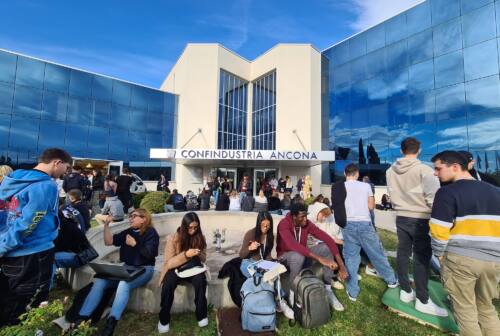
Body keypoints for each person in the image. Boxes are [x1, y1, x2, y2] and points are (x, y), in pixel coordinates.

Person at [430, 151, 500, 335]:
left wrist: (440, 255)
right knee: (486, 308)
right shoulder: (496, 191)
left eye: (438, 168)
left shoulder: (446, 192)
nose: (435, 173)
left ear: (455, 167)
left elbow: (438, 229)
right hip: (493, 261)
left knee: (465, 311)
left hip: (461, 259)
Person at [0, 148, 72, 326]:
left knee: (9, 298)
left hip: (10, 250)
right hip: (33, 253)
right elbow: (29, 223)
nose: (66, 173)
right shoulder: (46, 185)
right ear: (57, 162)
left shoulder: (12, 180)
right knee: (29, 305)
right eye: (66, 168)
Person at [385, 137, 445, 316]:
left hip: (401, 216)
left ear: (402, 150)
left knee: (402, 253)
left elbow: (391, 193)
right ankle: (422, 300)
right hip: (421, 218)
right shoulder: (425, 170)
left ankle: (406, 291)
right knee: (421, 259)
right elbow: (434, 198)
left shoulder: (390, 171)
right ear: (418, 150)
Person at [78, 208, 159, 336]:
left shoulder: (151, 233)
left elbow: (150, 254)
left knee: (123, 284)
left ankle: (111, 324)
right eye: (130, 216)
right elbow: (108, 241)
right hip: (127, 268)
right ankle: (83, 318)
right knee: (100, 280)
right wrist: (106, 226)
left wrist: (134, 244)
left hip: (144, 269)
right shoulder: (128, 232)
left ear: (144, 219)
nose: (130, 218)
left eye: (134, 216)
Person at [342, 164, 399, 302]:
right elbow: (371, 206)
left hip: (348, 224)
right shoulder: (366, 186)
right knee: (377, 253)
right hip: (364, 224)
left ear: (345, 174)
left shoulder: (340, 187)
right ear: (357, 174)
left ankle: (353, 291)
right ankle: (391, 280)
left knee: (351, 258)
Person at [276, 202, 347, 310]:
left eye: (306, 215)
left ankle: (327, 288)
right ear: (294, 216)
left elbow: (328, 239)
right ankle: (292, 292)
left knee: (325, 248)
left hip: (302, 256)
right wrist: (320, 259)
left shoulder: (306, 223)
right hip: (285, 258)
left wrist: (341, 266)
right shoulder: (284, 224)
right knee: (297, 256)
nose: (305, 219)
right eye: (302, 217)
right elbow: (293, 245)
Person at [158, 212, 208, 333]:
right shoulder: (173, 238)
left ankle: (201, 315)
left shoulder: (200, 237)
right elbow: (168, 263)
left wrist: (199, 253)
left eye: (196, 227)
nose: (193, 230)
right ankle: (164, 319)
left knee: (201, 280)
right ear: (184, 226)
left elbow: (204, 258)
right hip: (176, 269)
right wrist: (186, 255)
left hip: (194, 268)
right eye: (190, 227)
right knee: (168, 283)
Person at [239, 211, 294, 319]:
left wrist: (274, 262)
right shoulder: (250, 234)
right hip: (248, 262)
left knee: (275, 273)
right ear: (258, 223)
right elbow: (241, 255)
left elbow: (267, 255)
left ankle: (280, 301)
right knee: (261, 277)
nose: (266, 228)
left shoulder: (269, 236)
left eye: (268, 225)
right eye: (263, 225)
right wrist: (250, 248)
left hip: (262, 263)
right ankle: (279, 299)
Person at [307, 202, 345, 291]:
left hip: (318, 245)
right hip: (309, 248)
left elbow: (327, 236)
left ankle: (334, 275)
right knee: (329, 247)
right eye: (323, 215)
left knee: (336, 246)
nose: (324, 218)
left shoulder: (323, 220)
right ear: (317, 212)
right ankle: (332, 278)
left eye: (326, 216)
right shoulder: (308, 221)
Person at [53, 205, 95, 280]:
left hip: (82, 256)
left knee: (50, 258)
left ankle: (48, 285)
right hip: (77, 253)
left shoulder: (64, 227)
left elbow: (59, 247)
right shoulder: (65, 223)